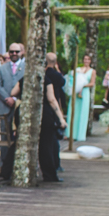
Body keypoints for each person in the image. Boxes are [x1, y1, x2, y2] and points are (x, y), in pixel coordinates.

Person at [40, 52, 67, 182]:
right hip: (49, 112)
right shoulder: (53, 77)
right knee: (50, 143)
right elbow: (52, 98)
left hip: (42, 112)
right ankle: (53, 168)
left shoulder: (41, 77)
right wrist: (61, 117)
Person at [0, 42, 24, 150]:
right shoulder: (1, 68)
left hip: (20, 106)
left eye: (17, 51)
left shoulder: (27, 68)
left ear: (21, 52)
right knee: (5, 136)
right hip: (5, 106)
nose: (14, 53)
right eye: (12, 52)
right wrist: (7, 98)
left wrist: (15, 98)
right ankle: (3, 164)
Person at [65, 53, 95, 142]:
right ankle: (70, 134)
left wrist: (83, 85)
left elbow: (92, 83)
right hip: (76, 91)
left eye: (88, 59)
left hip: (84, 92)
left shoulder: (92, 71)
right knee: (73, 111)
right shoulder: (78, 70)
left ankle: (80, 135)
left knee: (83, 113)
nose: (86, 61)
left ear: (90, 61)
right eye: (85, 59)